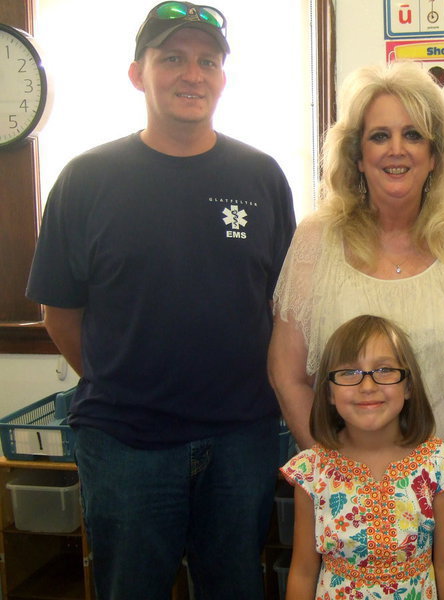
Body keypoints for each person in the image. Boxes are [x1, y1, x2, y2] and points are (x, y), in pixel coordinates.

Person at [25, 3, 296, 598]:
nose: (191, 74)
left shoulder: (261, 177)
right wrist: (126, 382)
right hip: (125, 443)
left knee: (234, 587)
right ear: (137, 73)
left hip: (241, 439)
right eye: (171, 58)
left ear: (223, 77)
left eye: (207, 61)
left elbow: (285, 310)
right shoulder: (86, 179)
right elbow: (59, 314)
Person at [268, 60, 444, 568]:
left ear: (435, 154)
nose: (396, 149)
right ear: (357, 155)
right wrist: (338, 477)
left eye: (413, 135)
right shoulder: (316, 241)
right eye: (380, 135)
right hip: (343, 496)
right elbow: (287, 373)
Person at [281, 314, 444, 599]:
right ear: (329, 392)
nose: (367, 386)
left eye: (384, 369)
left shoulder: (439, 467)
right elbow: (303, 571)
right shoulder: (311, 472)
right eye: (349, 372)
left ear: (408, 386)